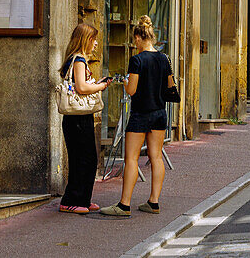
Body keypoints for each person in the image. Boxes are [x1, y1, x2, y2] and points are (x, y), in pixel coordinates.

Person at [100, 16, 175, 217]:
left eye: (134, 40)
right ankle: (154, 201)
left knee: (131, 158)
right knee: (156, 157)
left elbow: (132, 90)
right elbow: (169, 87)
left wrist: (125, 82)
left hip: (141, 114)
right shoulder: (164, 59)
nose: (134, 43)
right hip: (159, 113)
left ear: (139, 37)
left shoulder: (137, 60)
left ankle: (124, 205)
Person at [58, 23, 111, 214]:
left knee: (88, 158)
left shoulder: (77, 59)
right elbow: (81, 87)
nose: (96, 43)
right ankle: (70, 201)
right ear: (86, 40)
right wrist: (100, 86)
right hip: (77, 118)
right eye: (93, 39)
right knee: (82, 158)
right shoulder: (78, 60)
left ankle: (83, 199)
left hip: (81, 116)